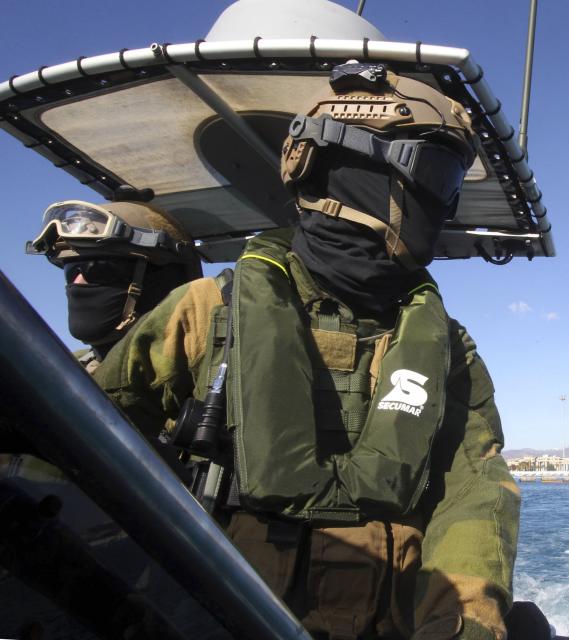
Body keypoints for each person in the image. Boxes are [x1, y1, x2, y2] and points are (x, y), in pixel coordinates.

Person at [94, 62, 520, 640]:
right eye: (439, 178)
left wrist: (463, 622)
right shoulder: (205, 310)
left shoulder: (445, 345)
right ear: (357, 171)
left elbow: (474, 493)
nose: (444, 206)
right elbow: (94, 439)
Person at [1, 198, 201, 480]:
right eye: (72, 270)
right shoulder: (52, 371)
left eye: (97, 268)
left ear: (164, 279)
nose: (78, 282)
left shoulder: (201, 389)